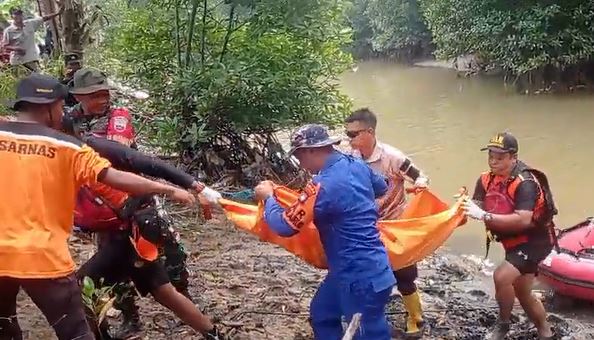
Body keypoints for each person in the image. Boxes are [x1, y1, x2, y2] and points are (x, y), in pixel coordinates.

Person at [0, 73, 196, 340]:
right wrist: (169, 189)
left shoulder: (111, 120)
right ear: (52, 106)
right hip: (45, 256)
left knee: (159, 285)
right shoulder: (68, 146)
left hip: (125, 220)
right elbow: (116, 175)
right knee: (79, 325)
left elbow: (127, 155)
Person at [67, 67, 196, 336]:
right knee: (114, 261)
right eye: (95, 95)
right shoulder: (70, 120)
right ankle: (130, 314)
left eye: (105, 93)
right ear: (79, 96)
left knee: (169, 247)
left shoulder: (118, 115)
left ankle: (186, 298)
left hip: (136, 196)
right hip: (101, 203)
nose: (102, 98)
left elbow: (117, 151)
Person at [63, 132, 226, 339]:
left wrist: (184, 187)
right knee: (164, 292)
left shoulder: (86, 150)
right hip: (127, 229)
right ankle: (214, 335)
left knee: (81, 289)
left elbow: (143, 165)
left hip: (129, 229)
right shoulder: (67, 154)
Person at [254, 124, 396, 339]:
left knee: (366, 333)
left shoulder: (323, 185)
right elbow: (382, 187)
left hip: (359, 277)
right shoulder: (357, 165)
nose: (300, 164)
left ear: (311, 150)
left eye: (299, 157)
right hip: (356, 269)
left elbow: (283, 226)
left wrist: (269, 198)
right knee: (322, 313)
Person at [463, 132, 556, 340]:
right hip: (512, 241)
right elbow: (478, 202)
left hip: (535, 241)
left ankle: (503, 324)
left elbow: (523, 219)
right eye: (491, 155)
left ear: (513, 157)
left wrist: (484, 215)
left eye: (500, 156)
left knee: (501, 276)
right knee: (523, 293)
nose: (493, 161)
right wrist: (464, 206)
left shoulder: (526, 182)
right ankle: (545, 331)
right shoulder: (486, 179)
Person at [345, 108, 428, 337]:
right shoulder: (349, 158)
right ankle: (371, 318)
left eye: (353, 134)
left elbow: (420, 175)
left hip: (395, 223)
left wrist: (421, 185)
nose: (349, 139)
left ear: (369, 132)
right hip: (367, 225)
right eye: (347, 134)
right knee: (367, 273)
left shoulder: (393, 157)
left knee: (405, 274)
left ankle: (416, 318)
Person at [1, 4, 64, 71]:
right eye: (16, 14)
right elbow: (4, 46)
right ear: (12, 16)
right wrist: (15, 48)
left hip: (31, 59)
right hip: (17, 62)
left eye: (20, 14)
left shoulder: (30, 24)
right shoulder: (8, 31)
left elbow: (44, 18)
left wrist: (58, 13)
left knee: (37, 78)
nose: (18, 16)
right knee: (21, 80)